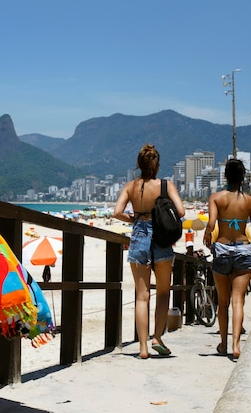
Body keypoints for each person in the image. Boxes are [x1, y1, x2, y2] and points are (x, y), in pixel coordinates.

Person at [114, 144, 185, 359]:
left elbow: (117, 212)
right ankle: (157, 337)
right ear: (157, 165)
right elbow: (181, 211)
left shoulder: (130, 186)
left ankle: (142, 348)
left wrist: (135, 218)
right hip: (162, 239)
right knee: (163, 292)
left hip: (138, 237)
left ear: (139, 165)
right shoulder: (166, 185)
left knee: (142, 296)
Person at [203, 158, 251, 359]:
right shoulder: (250, 201)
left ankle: (224, 344)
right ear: (242, 177)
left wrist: (208, 234)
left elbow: (211, 223)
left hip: (223, 250)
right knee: (238, 301)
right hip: (244, 250)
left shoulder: (216, 198)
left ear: (225, 176)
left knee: (223, 302)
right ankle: (236, 345)